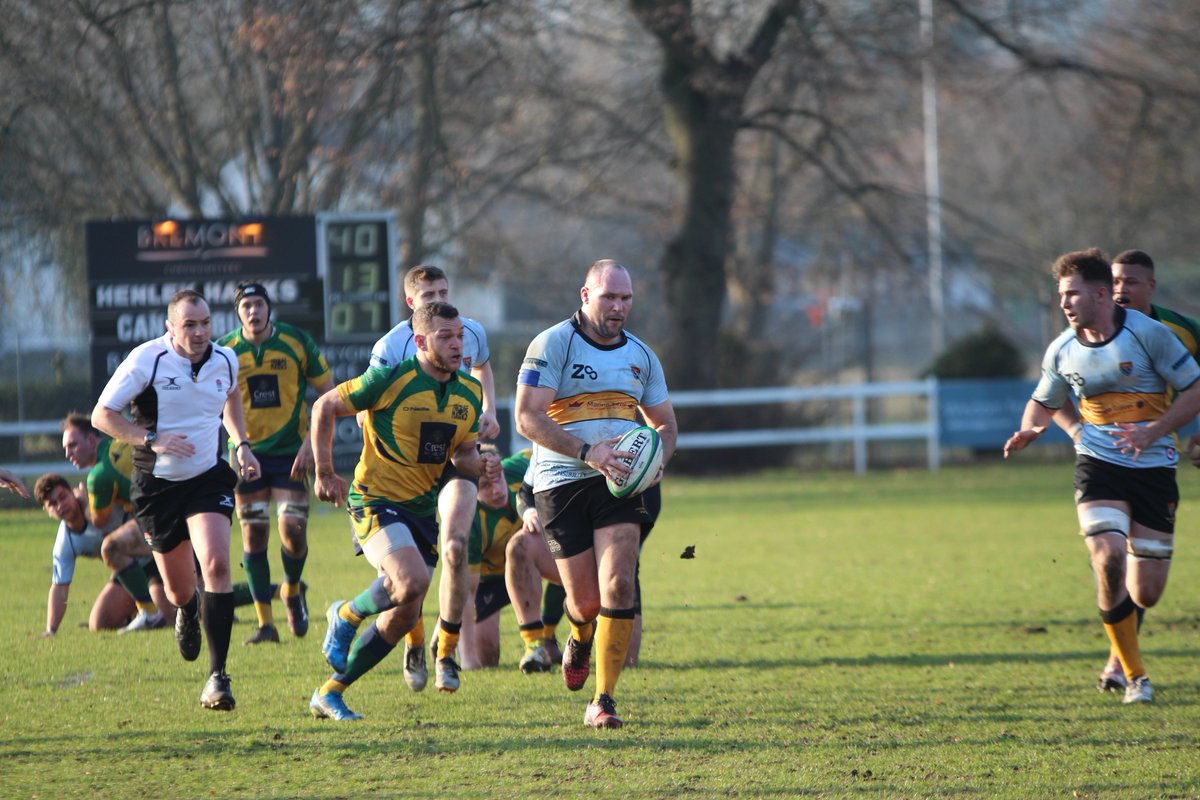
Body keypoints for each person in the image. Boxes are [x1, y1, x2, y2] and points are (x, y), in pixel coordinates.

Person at [1004, 248, 1200, 705]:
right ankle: (1134, 676)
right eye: (1061, 295)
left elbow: (1195, 389)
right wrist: (1032, 427)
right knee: (1107, 556)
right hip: (1098, 464)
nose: (1064, 303)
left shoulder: (1150, 335)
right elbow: (1044, 400)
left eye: (1072, 294)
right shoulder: (1062, 348)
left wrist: (1154, 430)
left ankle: (1129, 618)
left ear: (1099, 294)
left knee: (1146, 593)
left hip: (1153, 467)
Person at [308, 301, 499, 721]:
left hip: (421, 511)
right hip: (374, 500)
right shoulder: (389, 379)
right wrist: (324, 473)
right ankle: (345, 614)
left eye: (460, 336)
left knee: (403, 614)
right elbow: (324, 407)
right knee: (411, 580)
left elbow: (462, 456)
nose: (457, 345)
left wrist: (482, 464)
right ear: (420, 342)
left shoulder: (470, 392)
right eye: (445, 337)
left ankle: (330, 692)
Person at [514, 259, 677, 729]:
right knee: (585, 603)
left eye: (626, 298)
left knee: (619, 585)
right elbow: (527, 416)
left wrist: (658, 458)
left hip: (618, 482)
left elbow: (665, 423)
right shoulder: (553, 344)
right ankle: (580, 635)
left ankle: (602, 700)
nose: (618, 307)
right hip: (560, 482)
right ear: (586, 296)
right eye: (609, 297)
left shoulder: (642, 356)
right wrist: (589, 452)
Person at [92, 289, 260, 712]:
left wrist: (240, 444)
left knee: (217, 565)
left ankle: (217, 677)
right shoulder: (147, 359)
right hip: (158, 487)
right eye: (190, 325)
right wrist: (150, 438)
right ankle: (187, 609)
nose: (200, 332)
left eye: (205, 323)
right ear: (170, 327)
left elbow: (231, 396)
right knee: (179, 589)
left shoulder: (226, 359)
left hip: (207, 479)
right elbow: (102, 415)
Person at [363, 265, 500, 693]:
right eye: (428, 295)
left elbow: (483, 368)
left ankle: (447, 652)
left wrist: (488, 410)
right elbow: (368, 407)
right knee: (415, 566)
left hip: (457, 453)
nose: (438, 299)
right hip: (408, 468)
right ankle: (415, 642)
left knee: (456, 546)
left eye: (443, 291)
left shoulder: (468, 331)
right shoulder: (390, 347)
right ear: (411, 302)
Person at [217, 281, 336, 645]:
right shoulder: (225, 350)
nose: (253, 311)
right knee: (254, 533)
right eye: (246, 306)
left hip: (291, 453)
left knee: (293, 531)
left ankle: (292, 588)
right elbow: (215, 402)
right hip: (246, 453)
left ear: (269, 308)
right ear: (238, 312)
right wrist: (239, 446)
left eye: (259, 304)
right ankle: (265, 625)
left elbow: (329, 395)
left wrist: (311, 444)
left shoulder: (296, 342)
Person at [508, 478, 661, 671]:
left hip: (615, 564)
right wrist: (530, 512)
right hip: (574, 545)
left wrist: (656, 465)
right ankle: (538, 644)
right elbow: (526, 491)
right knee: (520, 546)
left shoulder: (627, 462)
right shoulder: (556, 462)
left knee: (624, 661)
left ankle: (599, 685)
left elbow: (648, 507)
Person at [61, 413, 173, 632]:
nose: (68, 453)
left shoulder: (99, 475)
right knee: (99, 623)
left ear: (91, 440)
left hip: (163, 524)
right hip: (168, 518)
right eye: (65, 448)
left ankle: (149, 613)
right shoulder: (120, 442)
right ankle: (139, 613)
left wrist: (84, 501)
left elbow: (99, 521)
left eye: (73, 445)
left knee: (111, 548)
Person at [34, 473, 166, 634]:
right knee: (99, 623)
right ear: (47, 511)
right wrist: (51, 630)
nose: (60, 505)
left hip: (158, 558)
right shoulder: (65, 541)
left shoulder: (100, 503)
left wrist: (87, 506)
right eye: (53, 504)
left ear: (72, 492)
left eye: (63, 497)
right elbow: (59, 586)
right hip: (129, 572)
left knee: (168, 617)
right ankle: (134, 616)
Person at [458, 445, 531, 669]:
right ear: (471, 488)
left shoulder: (519, 468)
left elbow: (544, 449)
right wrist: (468, 658)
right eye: (485, 486)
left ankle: (545, 639)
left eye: (497, 479)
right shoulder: (469, 519)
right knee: (487, 659)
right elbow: (467, 592)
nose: (497, 491)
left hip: (529, 569)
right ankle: (446, 625)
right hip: (488, 582)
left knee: (572, 557)